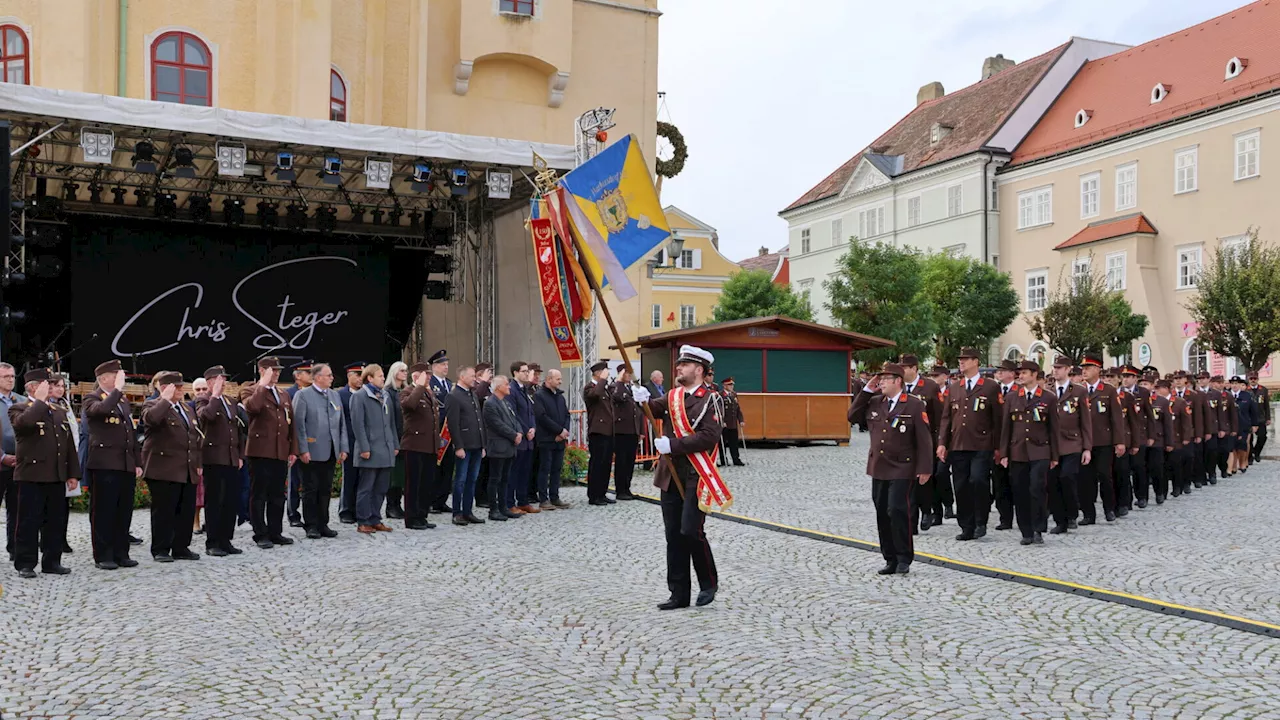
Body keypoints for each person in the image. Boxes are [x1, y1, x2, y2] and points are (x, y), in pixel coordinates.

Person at [643, 345, 723, 609]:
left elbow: (709, 436)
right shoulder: (673, 395)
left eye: (684, 365)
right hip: (670, 474)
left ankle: (708, 582)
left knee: (691, 530)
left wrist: (674, 445)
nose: (678, 368)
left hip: (696, 474)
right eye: (679, 364)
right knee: (673, 536)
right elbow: (652, 410)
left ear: (698, 370)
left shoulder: (711, 399)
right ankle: (678, 594)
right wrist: (639, 398)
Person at [848, 363, 932, 573]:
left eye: (885, 379)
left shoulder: (913, 405)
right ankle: (890, 558)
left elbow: (924, 439)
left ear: (898, 381)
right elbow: (852, 416)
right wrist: (867, 390)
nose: (881, 382)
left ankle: (904, 557)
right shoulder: (875, 402)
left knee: (896, 509)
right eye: (880, 379)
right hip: (879, 465)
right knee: (882, 512)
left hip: (903, 466)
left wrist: (925, 467)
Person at [8, 368, 80, 578]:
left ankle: (52, 561)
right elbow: (24, 425)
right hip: (32, 474)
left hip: (56, 475)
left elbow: (68, 446)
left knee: (55, 521)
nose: (50, 387)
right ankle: (26, 563)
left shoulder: (58, 411)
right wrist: (39, 402)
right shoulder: (18, 409)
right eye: (45, 383)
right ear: (32, 387)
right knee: (29, 521)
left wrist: (73, 473)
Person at [938, 347, 1003, 541]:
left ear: (976, 361)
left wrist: (999, 446)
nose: (961, 362)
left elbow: (998, 419)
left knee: (978, 480)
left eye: (965, 359)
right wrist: (942, 443)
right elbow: (946, 418)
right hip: (958, 444)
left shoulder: (990, 387)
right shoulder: (954, 387)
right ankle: (966, 525)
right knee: (961, 485)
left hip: (982, 444)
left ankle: (981, 520)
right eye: (960, 359)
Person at [82, 360, 141, 570]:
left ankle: (121, 552)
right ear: (104, 377)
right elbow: (100, 411)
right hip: (105, 463)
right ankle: (103, 554)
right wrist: (116, 390)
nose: (121, 378)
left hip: (124, 463)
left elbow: (130, 433)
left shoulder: (122, 400)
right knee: (104, 511)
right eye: (116, 374)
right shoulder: (92, 397)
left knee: (123, 511)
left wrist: (137, 461)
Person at [140, 371, 203, 563]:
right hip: (163, 468)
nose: (181, 389)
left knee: (185, 510)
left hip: (186, 467)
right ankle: (160, 548)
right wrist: (165, 400)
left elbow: (195, 437)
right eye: (176, 386)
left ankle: (181, 546)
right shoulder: (153, 405)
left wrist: (198, 463)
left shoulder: (187, 408)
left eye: (181, 385)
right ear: (164, 388)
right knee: (164, 511)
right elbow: (151, 420)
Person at [998, 360, 1057, 546]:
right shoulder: (1012, 397)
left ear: (1034, 375)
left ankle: (1039, 528)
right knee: (1020, 491)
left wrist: (1055, 456)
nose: (1020, 376)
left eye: (1024, 373)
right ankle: (1026, 531)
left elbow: (1054, 429)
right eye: (1019, 373)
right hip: (1018, 451)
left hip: (1040, 450)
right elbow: (1006, 428)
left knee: (1037, 488)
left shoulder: (1048, 398)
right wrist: (1004, 453)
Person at [243, 356, 299, 549]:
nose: (276, 373)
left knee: (277, 494)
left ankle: (276, 532)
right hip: (260, 451)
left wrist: (293, 449)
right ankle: (260, 533)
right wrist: (263, 385)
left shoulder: (283, 394)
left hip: (280, 450)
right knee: (259, 494)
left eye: (277, 370)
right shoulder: (250, 390)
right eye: (272, 370)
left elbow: (291, 423)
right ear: (262, 370)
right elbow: (253, 408)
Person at [291, 363, 348, 539]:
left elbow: (341, 423)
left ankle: (323, 523)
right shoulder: (303, 395)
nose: (332, 378)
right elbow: (298, 425)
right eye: (328, 375)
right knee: (310, 489)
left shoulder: (334, 395)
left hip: (330, 450)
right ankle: (311, 525)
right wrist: (302, 449)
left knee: (325, 489)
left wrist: (343, 447)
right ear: (317, 377)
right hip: (311, 450)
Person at [194, 366, 245, 556]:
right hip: (213, 458)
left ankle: (226, 540)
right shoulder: (203, 400)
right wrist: (213, 395)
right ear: (209, 382)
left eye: (224, 379)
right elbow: (205, 417)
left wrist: (240, 455)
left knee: (230, 501)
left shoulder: (230, 402)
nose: (223, 383)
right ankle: (213, 542)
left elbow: (238, 431)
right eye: (219, 379)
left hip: (231, 458)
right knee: (215, 500)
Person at [348, 363, 397, 534]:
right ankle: (363, 520)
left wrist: (395, 444)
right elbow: (358, 425)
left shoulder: (385, 396)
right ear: (369, 378)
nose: (383, 378)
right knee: (366, 487)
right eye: (380, 376)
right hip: (369, 449)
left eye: (383, 375)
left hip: (385, 448)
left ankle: (376, 518)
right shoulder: (360, 396)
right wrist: (364, 447)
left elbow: (391, 423)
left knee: (381, 488)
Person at [1078, 354, 1128, 525]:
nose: (1084, 371)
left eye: (1089, 368)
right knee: (1085, 479)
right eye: (1083, 368)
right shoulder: (1078, 390)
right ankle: (1088, 514)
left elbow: (1116, 418)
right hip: (1084, 442)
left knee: (1105, 476)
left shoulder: (1108, 390)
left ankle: (1109, 509)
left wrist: (1119, 441)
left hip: (1103, 441)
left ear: (1098, 370)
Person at [1047, 356, 1091, 534]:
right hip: (1052, 444)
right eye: (1054, 367)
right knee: (1053, 483)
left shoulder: (1079, 391)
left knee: (1068, 477)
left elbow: (1086, 422)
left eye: (1060, 368)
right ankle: (1060, 520)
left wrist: (1087, 448)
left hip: (1073, 442)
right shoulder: (1048, 391)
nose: (1056, 370)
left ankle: (1072, 512)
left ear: (1068, 369)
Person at [899, 355, 940, 532]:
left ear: (914, 368)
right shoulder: (898, 386)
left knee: (924, 479)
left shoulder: (930, 386)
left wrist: (938, 442)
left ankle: (927, 511)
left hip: (925, 440)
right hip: (903, 441)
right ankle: (912, 520)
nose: (902, 371)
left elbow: (939, 415)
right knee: (908, 481)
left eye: (906, 368)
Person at [399, 362, 440, 530]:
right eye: (426, 375)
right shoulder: (408, 391)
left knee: (426, 483)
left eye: (429, 375)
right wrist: (420, 386)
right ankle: (411, 518)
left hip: (429, 445)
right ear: (416, 376)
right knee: (413, 484)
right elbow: (409, 405)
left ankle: (422, 515)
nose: (429, 378)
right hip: (414, 445)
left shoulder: (429, 393)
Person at [445, 366, 486, 526]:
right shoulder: (454, 396)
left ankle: (468, 511)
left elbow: (479, 420)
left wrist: (483, 444)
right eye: (471, 376)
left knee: (472, 479)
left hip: (476, 443)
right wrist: (458, 446)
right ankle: (457, 512)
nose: (474, 379)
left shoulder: (472, 394)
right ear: (462, 377)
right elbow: (453, 424)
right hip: (465, 445)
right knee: (460, 480)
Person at [482, 375, 525, 522]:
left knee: (505, 479)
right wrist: (514, 435)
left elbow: (515, 419)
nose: (509, 387)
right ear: (499, 387)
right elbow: (497, 424)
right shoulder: (490, 403)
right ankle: (493, 510)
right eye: (506, 384)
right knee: (495, 478)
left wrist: (519, 432)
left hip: (509, 447)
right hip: (498, 447)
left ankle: (503, 507)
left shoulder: (506, 403)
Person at [48, 374, 80, 556]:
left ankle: (62, 537)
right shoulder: (46, 405)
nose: (60, 389)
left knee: (63, 504)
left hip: (68, 457)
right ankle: (50, 538)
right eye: (56, 386)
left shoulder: (65, 404)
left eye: (62, 386)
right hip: (53, 460)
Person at [533, 369, 573, 510]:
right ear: (549, 379)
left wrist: (564, 430)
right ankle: (543, 499)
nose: (560, 382)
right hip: (546, 438)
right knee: (545, 468)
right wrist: (558, 430)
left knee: (557, 469)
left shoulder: (560, 397)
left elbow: (567, 415)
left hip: (560, 439)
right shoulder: (539, 396)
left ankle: (555, 497)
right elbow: (542, 417)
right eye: (557, 379)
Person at [0, 362, 27, 560]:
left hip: (20, 464)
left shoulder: (22, 401)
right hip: (1, 461)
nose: (10, 380)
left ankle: (15, 549)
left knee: (17, 510)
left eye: (12, 376)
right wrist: (2, 457)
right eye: (5, 376)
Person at [505, 361, 540, 514]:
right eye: (524, 371)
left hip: (529, 438)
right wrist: (525, 430)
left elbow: (530, 412)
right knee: (514, 472)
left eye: (527, 371)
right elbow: (513, 414)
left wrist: (533, 427)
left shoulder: (525, 389)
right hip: (519, 437)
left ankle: (523, 501)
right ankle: (509, 503)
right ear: (515, 373)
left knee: (525, 471)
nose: (527, 374)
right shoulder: (512, 389)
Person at [1115, 366, 1148, 515]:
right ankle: (1126, 501)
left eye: (1129, 376)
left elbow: (1146, 418)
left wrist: (1149, 436)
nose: (1126, 379)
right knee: (1123, 470)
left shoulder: (1143, 393)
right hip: (1122, 437)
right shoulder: (1117, 394)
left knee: (1138, 467)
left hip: (1137, 435)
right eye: (1124, 376)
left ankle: (1142, 496)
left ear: (1136, 378)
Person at [285, 360, 314, 528]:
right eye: (307, 372)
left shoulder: (313, 393)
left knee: (310, 482)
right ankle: (293, 514)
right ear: (297, 376)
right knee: (294, 481)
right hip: (295, 443)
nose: (311, 375)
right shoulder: (289, 393)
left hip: (312, 443)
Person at [990, 359, 1018, 532]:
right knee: (1000, 484)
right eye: (998, 370)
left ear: (1012, 373)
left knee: (1017, 482)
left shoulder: (1019, 391)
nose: (999, 373)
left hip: (1017, 443)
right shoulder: (994, 391)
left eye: (1003, 370)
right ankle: (1005, 518)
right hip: (998, 442)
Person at [583, 360, 616, 506]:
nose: (607, 374)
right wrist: (602, 379)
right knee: (597, 463)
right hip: (597, 431)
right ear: (597, 373)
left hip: (608, 431)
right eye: (604, 371)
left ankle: (602, 493)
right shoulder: (589, 388)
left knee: (606, 464)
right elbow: (595, 395)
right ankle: (594, 495)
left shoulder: (605, 388)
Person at [336, 361, 364, 524]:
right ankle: (346, 510)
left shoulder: (365, 393)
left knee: (363, 478)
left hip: (363, 442)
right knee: (349, 477)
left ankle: (359, 509)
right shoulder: (341, 395)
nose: (361, 379)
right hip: (350, 441)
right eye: (357, 375)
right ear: (349, 376)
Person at [427, 350, 454, 514]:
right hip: (437, 432)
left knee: (448, 468)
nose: (446, 367)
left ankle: (442, 500)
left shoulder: (449, 384)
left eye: (447, 365)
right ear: (434, 366)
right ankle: (431, 500)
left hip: (450, 433)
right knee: (435, 468)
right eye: (443, 364)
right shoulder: (430, 384)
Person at [927, 365, 955, 524]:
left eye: (937, 376)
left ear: (945, 376)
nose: (934, 379)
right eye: (932, 376)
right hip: (931, 439)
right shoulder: (929, 392)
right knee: (931, 475)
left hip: (949, 439)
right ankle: (936, 512)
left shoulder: (953, 391)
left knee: (942, 473)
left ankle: (949, 504)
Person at [611, 367, 644, 499]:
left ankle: (627, 488)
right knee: (621, 462)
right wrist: (619, 381)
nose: (629, 375)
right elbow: (617, 397)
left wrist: (641, 430)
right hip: (621, 430)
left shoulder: (633, 388)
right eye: (626, 373)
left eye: (630, 373)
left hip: (632, 430)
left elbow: (639, 411)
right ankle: (620, 490)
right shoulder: (615, 387)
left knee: (630, 462)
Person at [383, 361, 409, 520]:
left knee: (401, 475)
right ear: (394, 372)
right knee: (394, 475)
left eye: (406, 370)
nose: (405, 373)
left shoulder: (404, 391)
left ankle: (398, 504)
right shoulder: (389, 392)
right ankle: (391, 506)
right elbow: (389, 419)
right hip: (395, 437)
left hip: (406, 437)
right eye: (402, 370)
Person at [1145, 377, 1175, 506]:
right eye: (1141, 383)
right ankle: (1142, 496)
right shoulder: (1135, 400)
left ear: (1152, 386)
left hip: (1158, 439)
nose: (1143, 386)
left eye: (1146, 384)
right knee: (1141, 469)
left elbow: (1167, 423)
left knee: (1157, 468)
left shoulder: (1161, 401)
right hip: (1141, 438)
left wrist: (1169, 442)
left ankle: (1160, 492)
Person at [1169, 373, 1196, 497]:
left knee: (1188, 459)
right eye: (1176, 379)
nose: (1178, 381)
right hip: (1174, 435)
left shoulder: (1193, 395)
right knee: (1175, 462)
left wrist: (1191, 434)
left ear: (1186, 380)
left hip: (1187, 432)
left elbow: (1196, 417)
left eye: (1180, 379)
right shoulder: (1170, 397)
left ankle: (1187, 482)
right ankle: (1177, 486)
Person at [472, 362, 495, 508]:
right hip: (479, 434)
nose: (491, 375)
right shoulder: (477, 388)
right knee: (481, 469)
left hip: (489, 433)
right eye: (489, 372)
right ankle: (480, 498)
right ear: (480, 374)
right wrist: (484, 382)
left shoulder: (488, 388)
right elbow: (477, 399)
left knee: (488, 468)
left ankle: (486, 495)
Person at [1230, 375, 1259, 474]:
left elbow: (1253, 411)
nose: (1234, 386)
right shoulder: (1227, 395)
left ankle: (1242, 463)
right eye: (1232, 384)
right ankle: (1233, 465)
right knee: (1232, 446)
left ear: (1240, 384)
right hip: (1230, 425)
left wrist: (1255, 424)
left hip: (1244, 424)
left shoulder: (1246, 395)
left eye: (1236, 384)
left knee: (1242, 445)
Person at [1203, 374, 1228, 485]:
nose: (1201, 381)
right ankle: (1202, 475)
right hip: (1200, 428)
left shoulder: (1215, 394)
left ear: (1208, 380)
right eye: (1199, 379)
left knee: (1212, 451)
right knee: (1200, 453)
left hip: (1213, 427)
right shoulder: (1195, 393)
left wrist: (1222, 428)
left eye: (1203, 378)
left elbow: (1220, 413)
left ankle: (1212, 473)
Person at [719, 378, 746, 467]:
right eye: (730, 385)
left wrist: (741, 420)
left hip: (733, 424)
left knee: (734, 443)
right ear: (724, 386)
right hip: (724, 424)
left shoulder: (734, 395)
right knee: (723, 443)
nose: (732, 386)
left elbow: (737, 409)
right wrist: (722, 421)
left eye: (732, 385)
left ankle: (736, 459)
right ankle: (723, 460)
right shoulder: (720, 395)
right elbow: (718, 410)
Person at [1249, 371, 1271, 462]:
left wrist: (1268, 417)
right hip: (1249, 418)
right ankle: (1249, 457)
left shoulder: (1263, 389)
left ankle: (1256, 452)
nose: (1253, 380)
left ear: (1257, 379)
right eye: (1251, 379)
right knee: (1249, 439)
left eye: (1255, 378)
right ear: (1248, 379)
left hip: (1260, 417)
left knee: (1262, 437)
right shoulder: (1245, 390)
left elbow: (1266, 405)